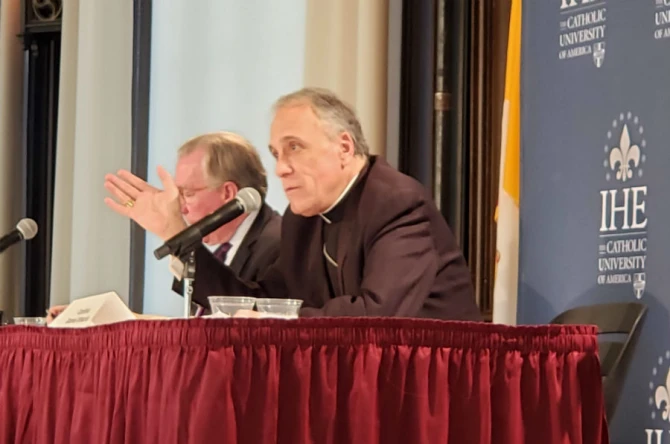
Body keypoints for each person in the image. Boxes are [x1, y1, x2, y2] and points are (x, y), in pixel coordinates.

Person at [102, 88, 480, 320]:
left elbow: (378, 316)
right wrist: (173, 231)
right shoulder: (303, 220)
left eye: (294, 148)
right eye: (276, 153)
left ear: (344, 147)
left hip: (434, 389)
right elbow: (259, 302)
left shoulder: (396, 204)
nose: (281, 168)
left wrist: (278, 320)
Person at [47, 131, 281, 322]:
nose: (181, 208)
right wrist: (113, 320)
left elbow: (250, 326)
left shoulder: (277, 243)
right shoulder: (228, 248)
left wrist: (172, 231)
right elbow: (202, 326)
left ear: (228, 193)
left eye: (188, 194)